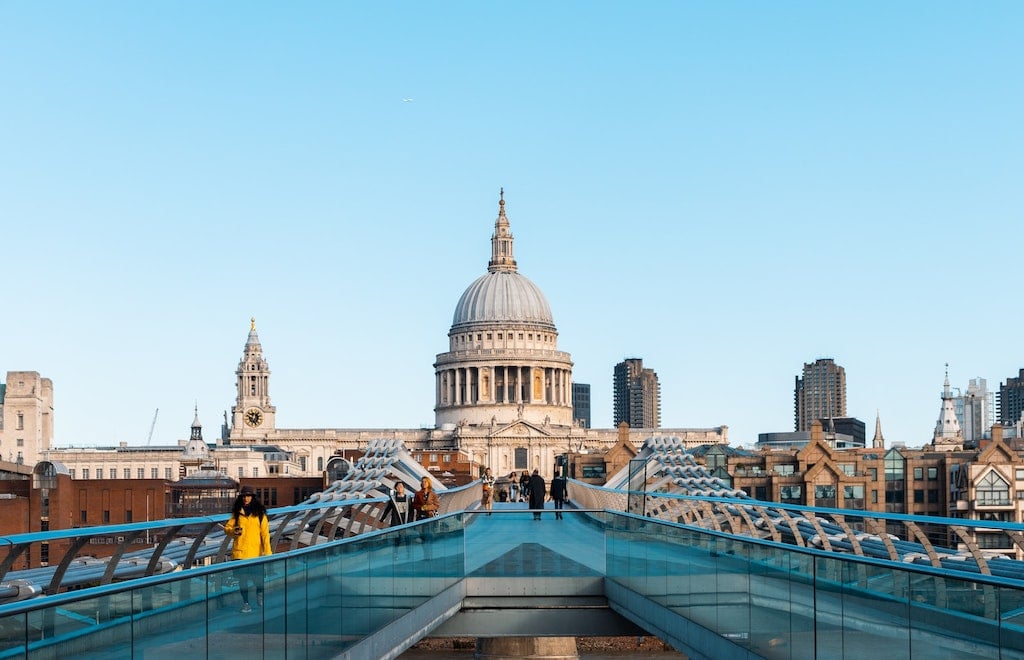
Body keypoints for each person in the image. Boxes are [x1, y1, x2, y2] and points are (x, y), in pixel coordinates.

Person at [224, 485, 272, 613]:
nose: (246, 498)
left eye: (248, 496)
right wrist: (233, 531)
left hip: (256, 553)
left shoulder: (260, 514)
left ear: (253, 498)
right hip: (240, 552)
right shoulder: (237, 513)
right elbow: (227, 529)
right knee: (243, 581)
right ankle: (246, 603)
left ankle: (260, 594)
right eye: (244, 496)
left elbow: (265, 534)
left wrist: (268, 553)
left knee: (258, 580)